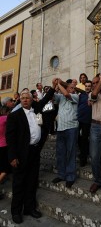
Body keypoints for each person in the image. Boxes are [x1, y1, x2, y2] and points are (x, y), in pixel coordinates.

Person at [6, 79, 57, 224]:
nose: (25, 100)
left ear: (31, 99)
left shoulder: (36, 109)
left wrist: (53, 88)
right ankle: (16, 211)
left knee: (32, 181)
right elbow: (10, 138)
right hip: (21, 154)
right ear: (20, 100)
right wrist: (12, 156)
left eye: (27, 98)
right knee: (19, 183)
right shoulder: (14, 116)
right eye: (22, 98)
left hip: (34, 152)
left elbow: (46, 99)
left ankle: (29, 208)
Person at [52, 79, 79, 188]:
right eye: (70, 87)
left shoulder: (76, 96)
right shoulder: (60, 97)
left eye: (73, 87)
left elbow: (67, 94)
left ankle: (70, 177)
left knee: (70, 153)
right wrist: (54, 85)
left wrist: (59, 83)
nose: (73, 89)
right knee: (60, 153)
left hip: (72, 128)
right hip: (60, 128)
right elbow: (52, 97)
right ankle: (61, 175)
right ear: (66, 87)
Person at [78, 80, 92, 167]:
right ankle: (83, 152)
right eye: (86, 86)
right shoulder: (81, 95)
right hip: (79, 119)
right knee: (78, 138)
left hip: (88, 121)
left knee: (84, 139)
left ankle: (84, 158)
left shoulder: (93, 94)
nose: (87, 87)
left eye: (89, 86)